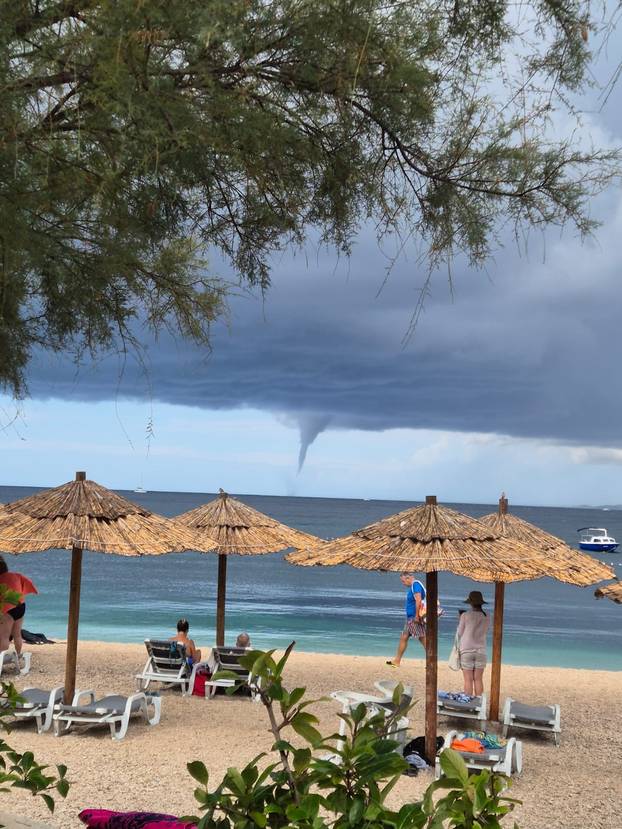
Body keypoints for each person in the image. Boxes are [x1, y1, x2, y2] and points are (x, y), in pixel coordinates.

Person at [0, 556, 38, 660]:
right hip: (21, 606)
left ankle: (0, 660)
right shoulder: (16, 575)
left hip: (9, 608)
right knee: (17, 634)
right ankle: (18, 654)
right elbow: (29, 583)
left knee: (4, 636)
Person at [386, 572, 426, 667]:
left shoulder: (415, 585)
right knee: (404, 637)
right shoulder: (414, 586)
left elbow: (418, 600)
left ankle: (431, 661)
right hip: (410, 618)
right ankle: (397, 661)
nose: (403, 584)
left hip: (414, 618)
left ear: (409, 578)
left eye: (403, 581)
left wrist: (416, 616)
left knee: (423, 639)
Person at [457, 590, 490, 696]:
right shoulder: (487, 616)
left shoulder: (465, 615)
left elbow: (460, 633)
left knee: (468, 679)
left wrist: (460, 619)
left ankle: (469, 704)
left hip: (466, 650)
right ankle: (479, 704)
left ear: (470, 603)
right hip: (481, 650)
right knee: (478, 679)